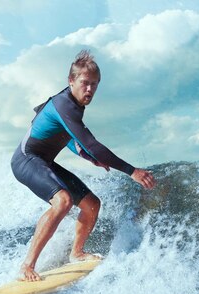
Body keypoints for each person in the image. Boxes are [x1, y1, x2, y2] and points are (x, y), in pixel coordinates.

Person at [11, 50, 156, 281]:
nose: (90, 89)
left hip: (44, 161)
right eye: (85, 83)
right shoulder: (63, 104)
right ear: (71, 81)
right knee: (63, 201)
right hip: (26, 159)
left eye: (95, 85)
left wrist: (87, 156)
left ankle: (76, 253)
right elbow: (91, 143)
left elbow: (66, 134)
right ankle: (26, 266)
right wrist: (132, 171)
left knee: (91, 205)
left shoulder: (72, 107)